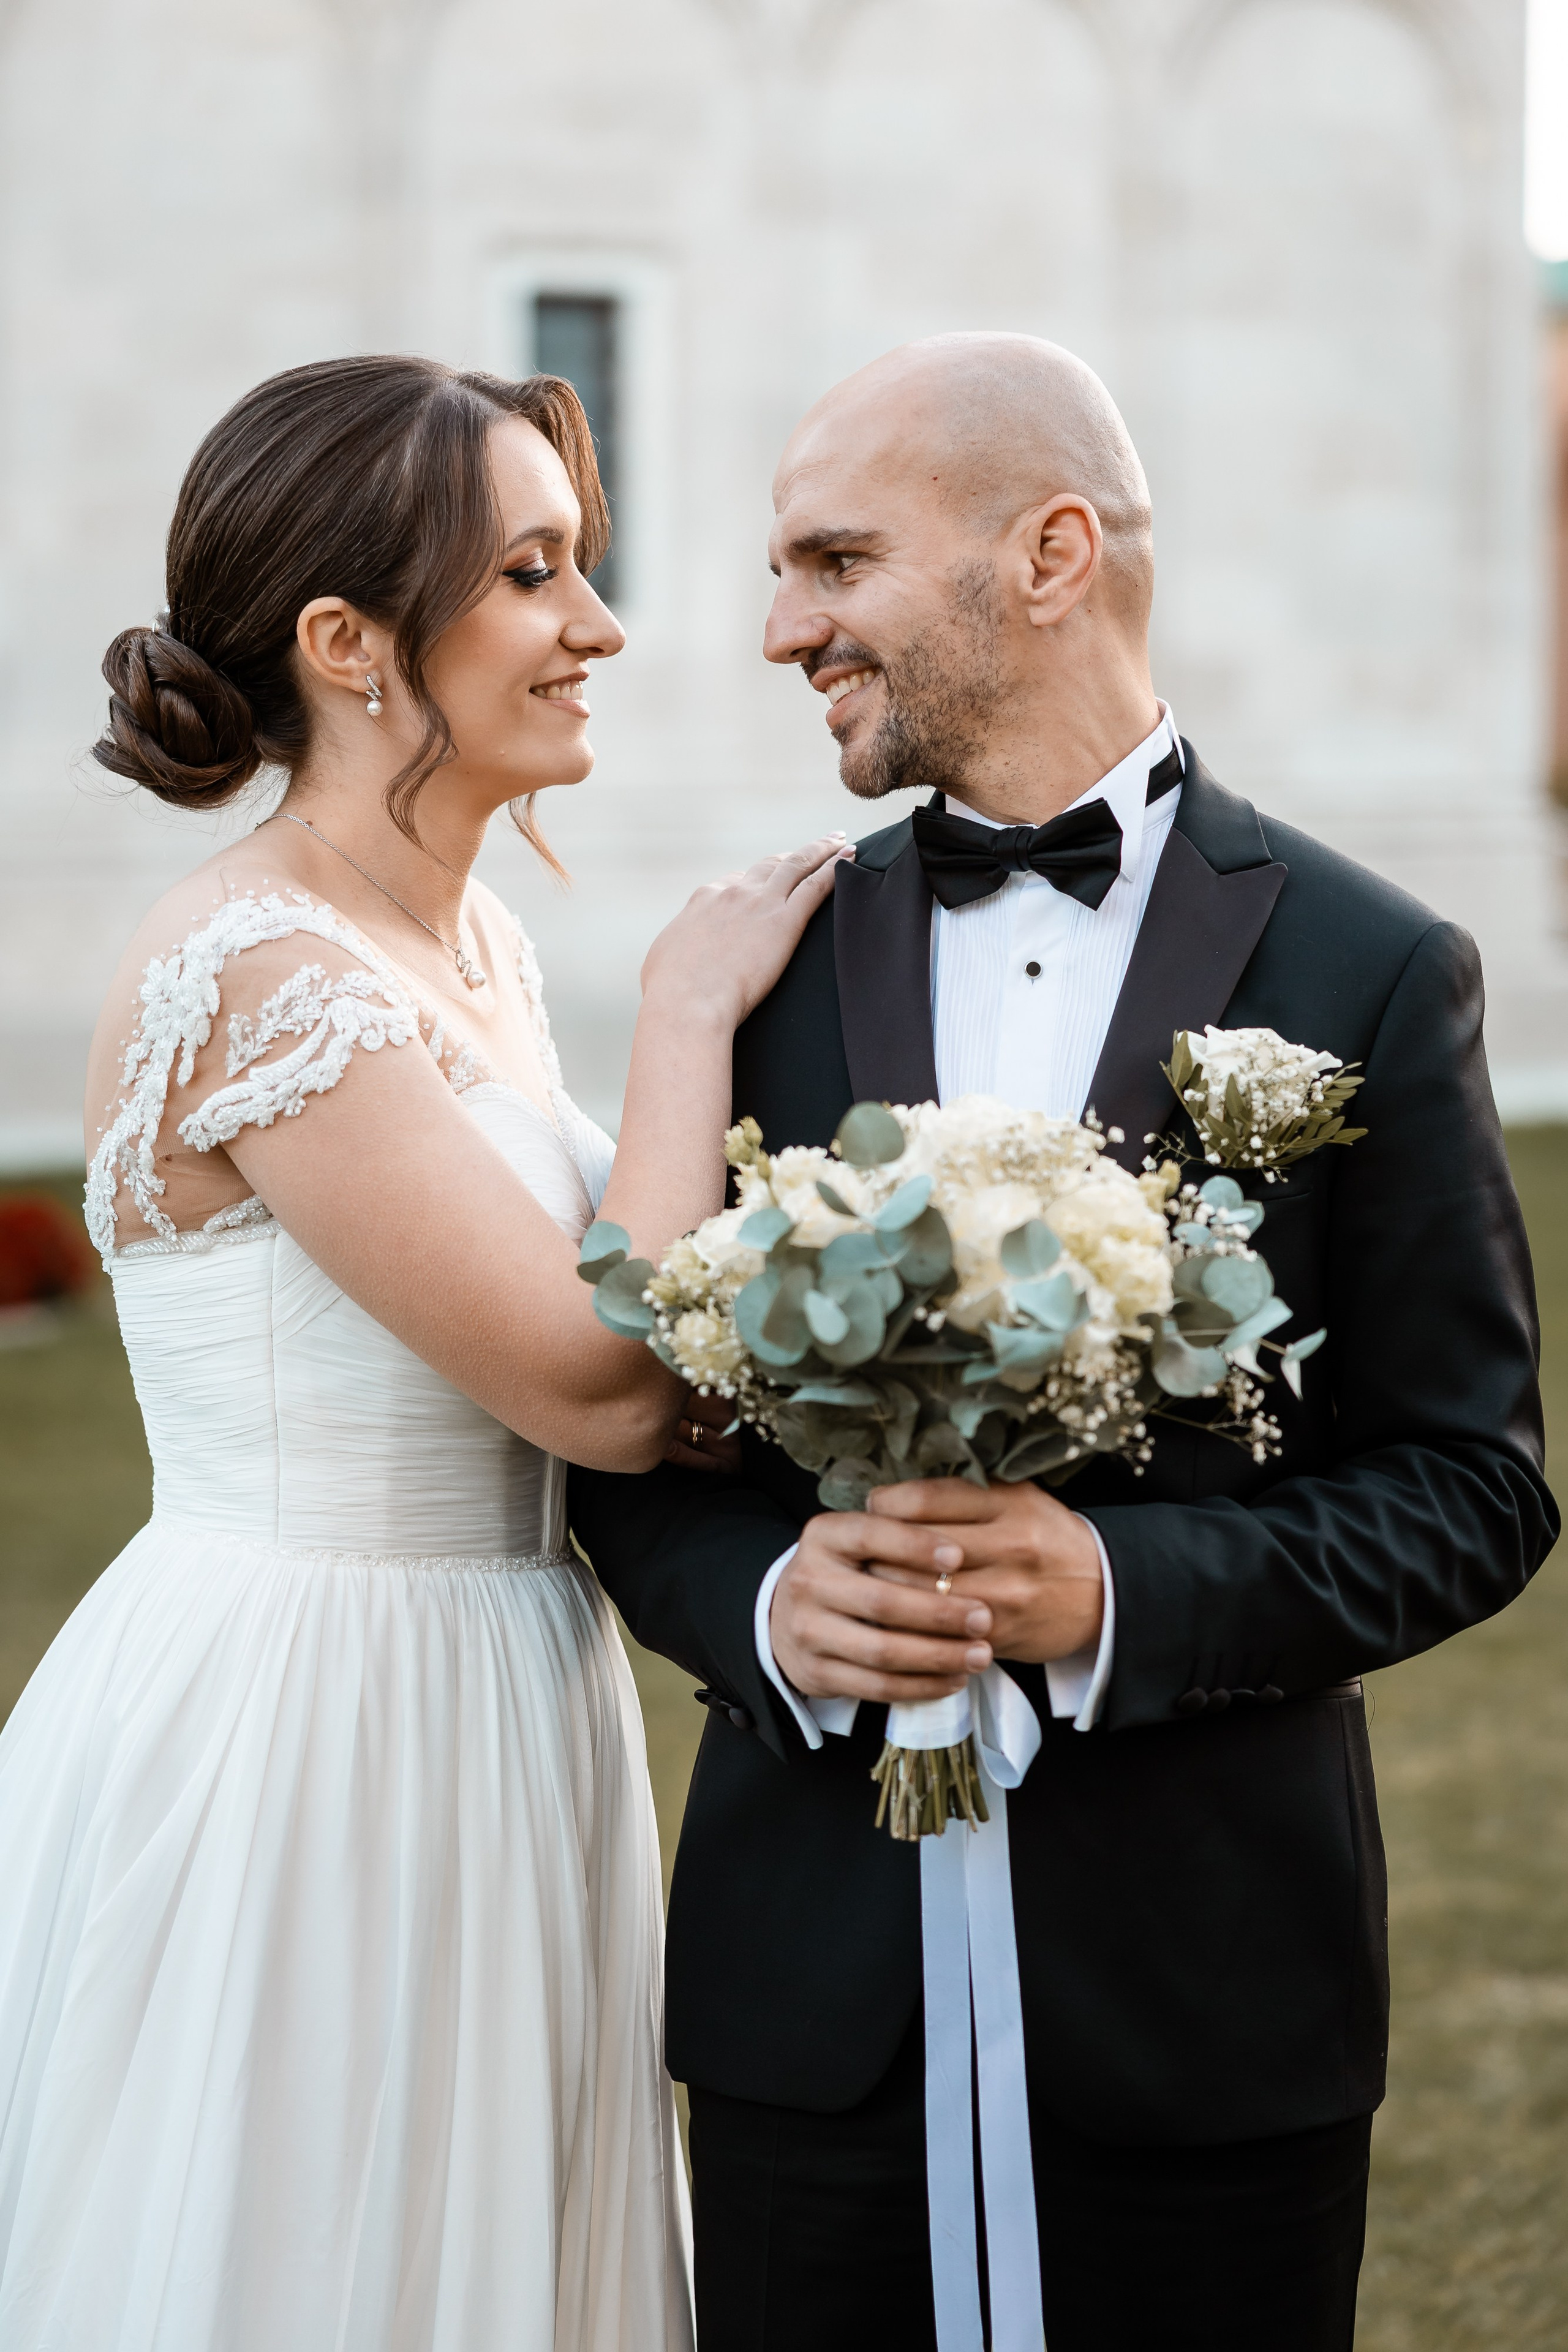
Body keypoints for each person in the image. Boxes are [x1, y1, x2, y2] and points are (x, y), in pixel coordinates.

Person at [568, 334, 1560, 2352]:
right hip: (809, 2005)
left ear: (1046, 553)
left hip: (1208, 2003)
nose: (780, 628)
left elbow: (1476, 1482)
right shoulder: (755, 975)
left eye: (833, 561)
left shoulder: (1367, 968)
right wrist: (772, 1610)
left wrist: (1117, 1587)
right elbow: (626, 1444)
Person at [0, 353, 843, 2352]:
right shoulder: (259, 974)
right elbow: (601, 1383)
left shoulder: (468, 947)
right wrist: (688, 1018)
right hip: (314, 1723)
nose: (601, 629)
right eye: (536, 573)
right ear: (348, 644)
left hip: (506, 1690)